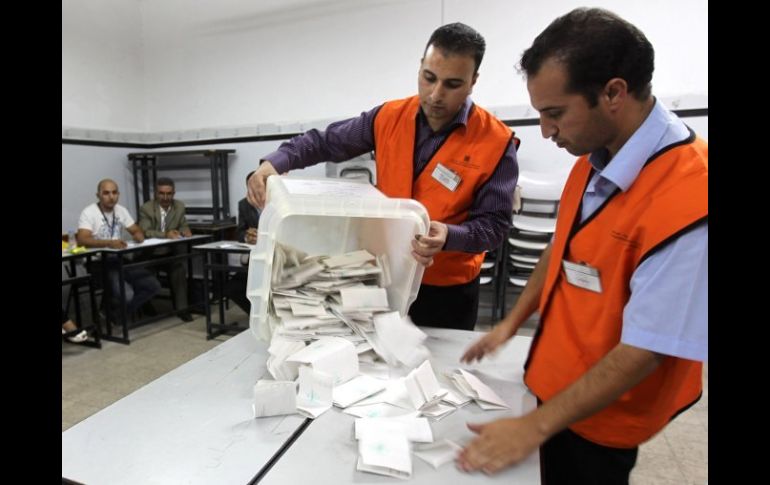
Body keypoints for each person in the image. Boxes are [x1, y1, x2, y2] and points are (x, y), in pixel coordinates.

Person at [456, 8, 707, 483]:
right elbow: (565, 247)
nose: (546, 132)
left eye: (555, 114)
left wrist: (532, 427)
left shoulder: (692, 197)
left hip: (603, 416)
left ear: (613, 93)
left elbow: (645, 350)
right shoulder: (594, 157)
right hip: (554, 381)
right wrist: (509, 324)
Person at [247, 23, 519, 331]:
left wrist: (450, 236)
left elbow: (495, 226)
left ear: (473, 82)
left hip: (447, 291)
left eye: (452, 84)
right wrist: (273, 162)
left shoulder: (496, 141)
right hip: (382, 276)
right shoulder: (389, 117)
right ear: (420, 67)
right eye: (428, 78)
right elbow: (325, 142)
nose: (435, 95)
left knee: (437, 370)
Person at [77, 179, 161, 318]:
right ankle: (115, 312)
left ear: (118, 194)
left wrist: (138, 235)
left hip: (120, 260)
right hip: (99, 263)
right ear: (98, 195)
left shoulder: (121, 210)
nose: (111, 197)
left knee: (154, 286)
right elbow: (82, 239)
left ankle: (115, 314)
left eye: (115, 193)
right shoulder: (89, 212)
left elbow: (135, 229)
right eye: (106, 193)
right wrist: (109, 243)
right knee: (127, 295)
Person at [138, 177, 194, 322]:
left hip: (170, 252)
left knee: (180, 269)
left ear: (173, 193)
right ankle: (146, 305)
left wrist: (185, 231)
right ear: (156, 194)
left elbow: (183, 225)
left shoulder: (179, 206)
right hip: (150, 254)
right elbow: (145, 231)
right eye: (161, 193)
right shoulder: (146, 208)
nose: (165, 197)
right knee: (146, 274)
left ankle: (182, 309)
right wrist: (165, 235)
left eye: (169, 194)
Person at [225, 171, 261, 313]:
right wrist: (247, 236)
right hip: (253, 258)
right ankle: (255, 315)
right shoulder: (244, 204)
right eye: (249, 188)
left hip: (275, 258)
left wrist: (264, 236)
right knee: (231, 288)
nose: (253, 192)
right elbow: (239, 232)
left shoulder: (277, 202)